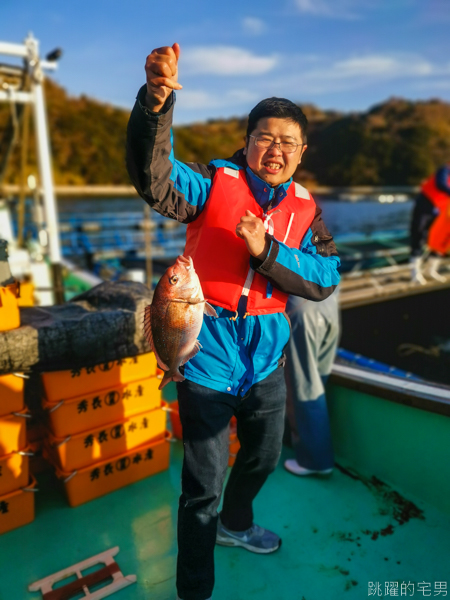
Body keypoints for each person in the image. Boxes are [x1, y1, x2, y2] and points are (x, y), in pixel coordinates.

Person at [126, 43, 340, 600]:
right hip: (204, 353)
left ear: (301, 151)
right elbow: (154, 179)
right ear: (246, 142)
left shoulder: (308, 209)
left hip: (267, 358)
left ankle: (236, 525)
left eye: (287, 142)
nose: (275, 149)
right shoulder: (210, 182)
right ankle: (194, 591)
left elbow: (325, 278)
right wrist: (155, 104)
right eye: (265, 137)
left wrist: (266, 250)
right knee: (202, 487)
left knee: (265, 456)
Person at [283, 290, 340, 477]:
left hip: (301, 310)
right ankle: (301, 438)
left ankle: (315, 461)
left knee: (304, 384)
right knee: (318, 378)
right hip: (329, 304)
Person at [410, 164, 450, 284]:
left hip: (440, 210)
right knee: (419, 236)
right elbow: (440, 184)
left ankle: (431, 270)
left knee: (440, 238)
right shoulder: (445, 170)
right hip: (425, 206)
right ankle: (415, 273)